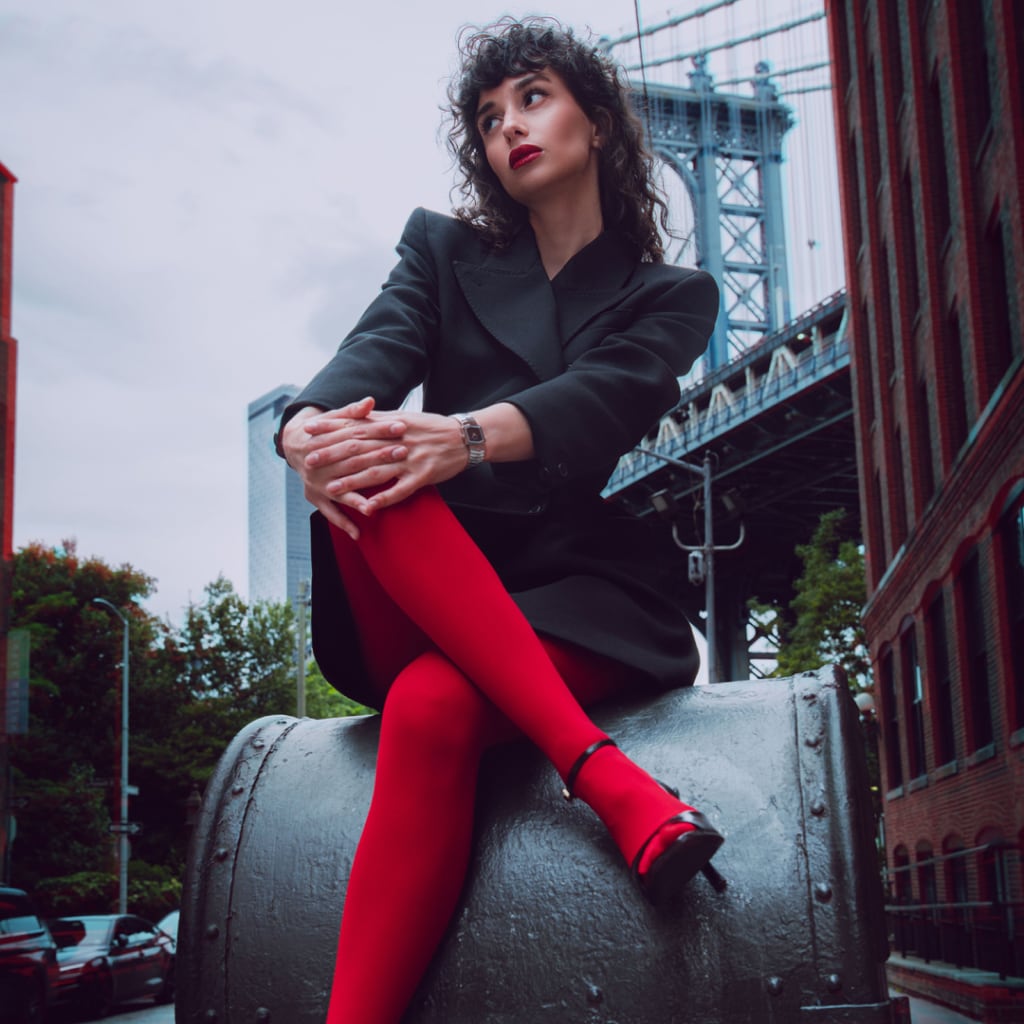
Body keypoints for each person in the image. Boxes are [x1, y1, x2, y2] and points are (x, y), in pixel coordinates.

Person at [277, 17, 722, 1024]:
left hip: (577, 595)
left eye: (532, 97)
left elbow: (605, 396)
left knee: (432, 711)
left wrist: (467, 436)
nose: (508, 127)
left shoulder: (672, 296)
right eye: (487, 118)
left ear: (596, 121)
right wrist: (305, 431)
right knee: (368, 454)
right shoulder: (439, 253)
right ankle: (609, 783)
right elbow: (366, 356)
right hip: (421, 577)